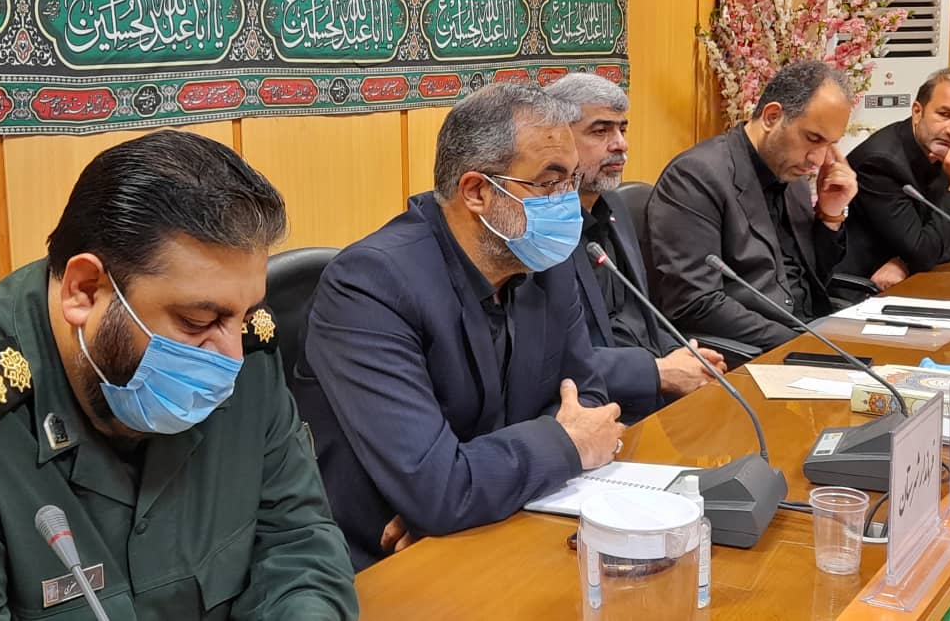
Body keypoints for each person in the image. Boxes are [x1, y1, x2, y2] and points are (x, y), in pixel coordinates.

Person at [0, 131, 357, 619]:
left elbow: (299, 540)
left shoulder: (245, 347)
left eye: (244, 316)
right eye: (196, 321)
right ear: (85, 290)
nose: (231, 357)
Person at [294, 81, 625, 570]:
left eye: (573, 180)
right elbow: (436, 488)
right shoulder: (370, 285)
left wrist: (466, 495)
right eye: (550, 183)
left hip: (502, 526)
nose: (568, 201)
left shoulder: (544, 261)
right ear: (477, 192)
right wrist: (559, 446)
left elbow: (587, 400)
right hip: (387, 564)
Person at [545, 73, 725, 421]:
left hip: (657, 396)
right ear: (556, 140)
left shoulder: (616, 208)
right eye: (601, 131)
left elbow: (642, 317)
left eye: (622, 130)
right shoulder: (540, 231)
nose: (620, 145)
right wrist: (657, 371)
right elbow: (553, 359)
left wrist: (685, 356)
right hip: (597, 409)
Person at [648, 60, 858, 351]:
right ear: (772, 117)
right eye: (813, 139)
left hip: (813, 331)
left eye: (830, 144)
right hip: (756, 350)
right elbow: (695, 302)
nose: (818, 160)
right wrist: (802, 345)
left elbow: (814, 281)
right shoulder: (697, 176)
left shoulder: (791, 173)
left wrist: (830, 214)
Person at [839, 68, 950, 288]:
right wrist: (914, 259)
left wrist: (906, 262)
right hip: (865, 289)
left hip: (918, 276)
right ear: (917, 112)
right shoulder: (880, 163)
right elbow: (923, 251)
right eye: (944, 114)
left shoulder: (942, 151)